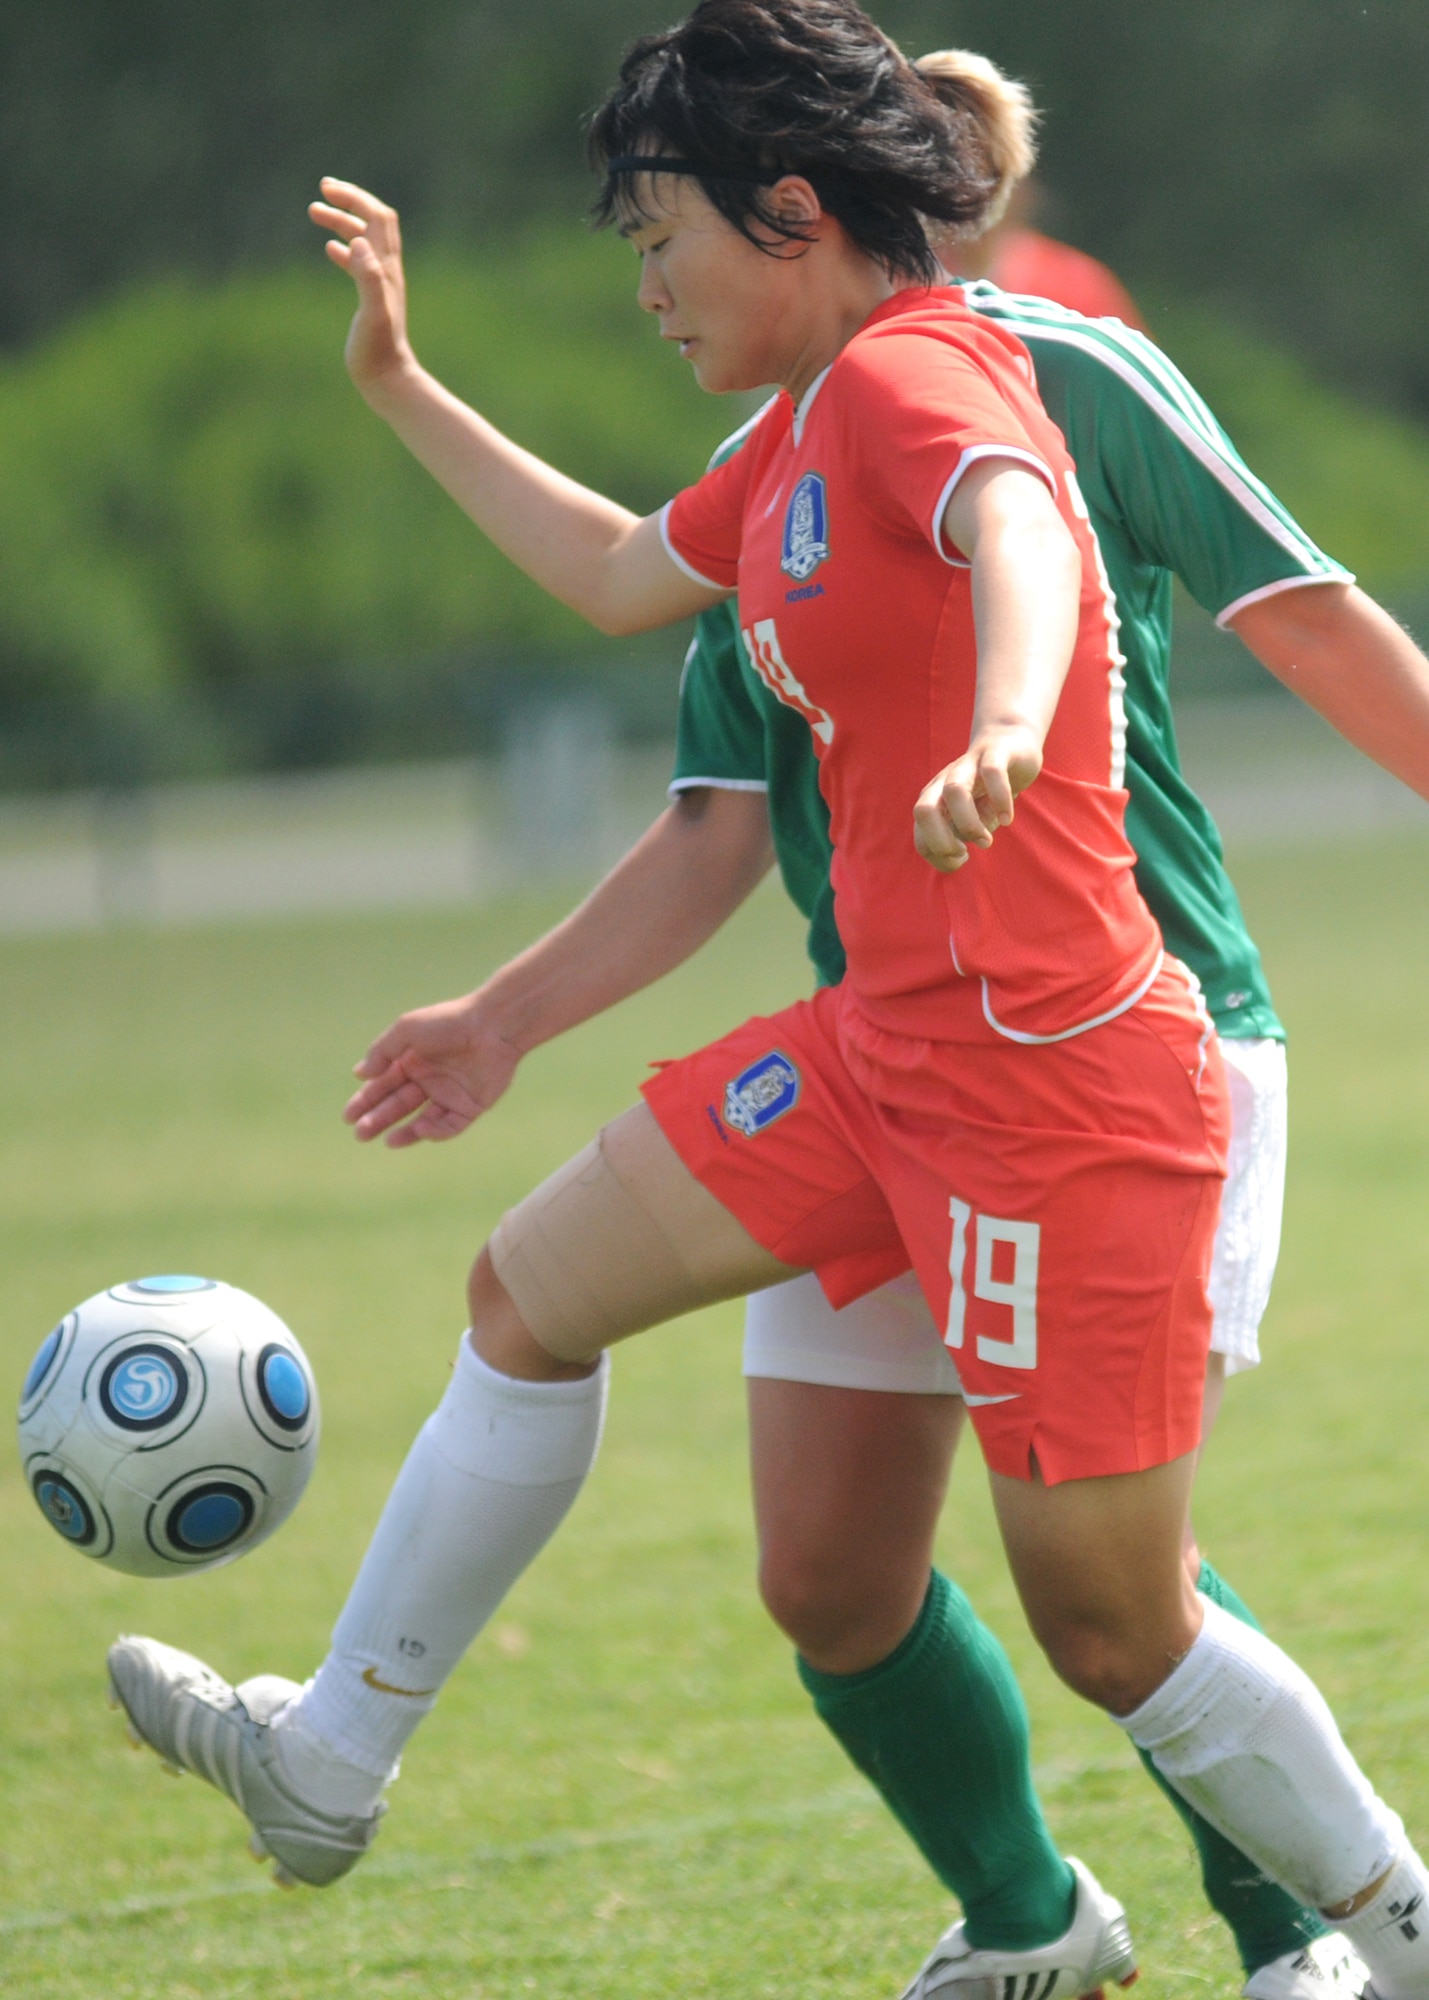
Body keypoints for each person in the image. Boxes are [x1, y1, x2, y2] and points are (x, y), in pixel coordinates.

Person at [105, 7, 1429, 1997]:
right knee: (531, 1295)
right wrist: (401, 386)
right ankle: (328, 1758)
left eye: (660, 241)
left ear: (790, 212)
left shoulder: (917, 374)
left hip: (1052, 1084)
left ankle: (1376, 1930)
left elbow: (1019, 533)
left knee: (1108, 1619)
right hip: (874, 1045)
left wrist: (999, 724)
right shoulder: (791, 433)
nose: (643, 288)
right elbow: (627, 573)